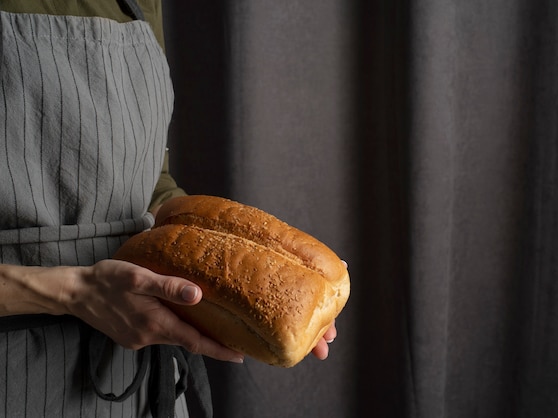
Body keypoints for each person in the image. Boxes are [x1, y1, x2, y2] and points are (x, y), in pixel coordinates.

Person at [0, 0, 338, 417]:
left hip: (140, 369)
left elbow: (148, 183)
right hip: (17, 370)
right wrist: (75, 292)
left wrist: (251, 256)